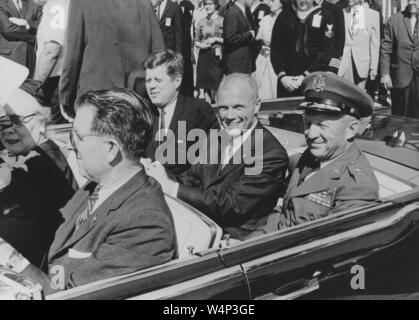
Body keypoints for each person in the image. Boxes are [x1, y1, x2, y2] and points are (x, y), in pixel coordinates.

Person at [0, 88, 177, 293]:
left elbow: (73, 297)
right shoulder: (99, 185)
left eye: (78, 137)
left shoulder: (145, 224)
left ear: (110, 149)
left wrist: (11, 258)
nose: (70, 146)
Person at [144, 74, 289, 240]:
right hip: (200, 226)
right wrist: (155, 172)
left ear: (256, 106)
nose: (229, 116)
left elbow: (232, 204)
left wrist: (170, 187)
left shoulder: (269, 153)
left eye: (238, 107)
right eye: (223, 108)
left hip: (239, 242)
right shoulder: (216, 138)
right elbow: (190, 180)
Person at [257, 72, 379, 233]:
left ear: (351, 129)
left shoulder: (358, 189)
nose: (310, 134)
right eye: (307, 123)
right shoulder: (313, 155)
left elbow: (326, 249)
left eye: (322, 125)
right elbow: (283, 215)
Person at [0, 78, 76, 269]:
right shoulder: (26, 155)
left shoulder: (47, 162)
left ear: (41, 121)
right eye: (2, 123)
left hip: (38, 262)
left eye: (18, 120)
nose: (8, 130)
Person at [59, 0, 165, 118]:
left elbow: (72, 55)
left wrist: (65, 98)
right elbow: (159, 53)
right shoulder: (144, 3)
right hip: (135, 99)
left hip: (96, 100)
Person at [144, 50, 217, 175]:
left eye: (157, 80)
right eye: (148, 80)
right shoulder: (143, 114)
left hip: (183, 189)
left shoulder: (198, 110)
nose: (151, 86)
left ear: (177, 81)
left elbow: (213, 158)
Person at [270, 0, 336, 97]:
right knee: (287, 110)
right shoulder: (285, 15)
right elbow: (275, 48)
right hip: (288, 81)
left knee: (311, 110)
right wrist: (282, 76)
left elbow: (326, 51)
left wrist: (306, 76)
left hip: (314, 78)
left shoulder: (325, 16)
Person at [32, 0, 70, 124]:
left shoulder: (56, 5)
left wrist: (34, 85)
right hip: (61, 77)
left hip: (55, 80)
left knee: (51, 128)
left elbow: (52, 50)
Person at [380, 0, 419, 118]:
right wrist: (385, 74)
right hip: (401, 76)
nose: (412, 2)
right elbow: (386, 48)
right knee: (400, 119)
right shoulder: (395, 20)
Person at [338, 0, 380, 89]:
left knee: (358, 98)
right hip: (343, 64)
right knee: (342, 96)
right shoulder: (341, 13)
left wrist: (373, 67)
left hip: (362, 65)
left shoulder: (373, 15)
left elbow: (374, 44)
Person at [0, 0, 42, 78]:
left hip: (29, 60)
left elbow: (41, 27)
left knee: (26, 89)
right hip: (8, 59)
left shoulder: (33, 5)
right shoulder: (1, 3)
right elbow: (8, 30)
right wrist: (31, 30)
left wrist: (26, 23)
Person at [195, 0, 224, 103]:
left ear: (216, 5)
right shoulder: (201, 22)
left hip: (216, 56)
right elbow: (196, 41)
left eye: (210, 4)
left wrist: (215, 39)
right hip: (204, 56)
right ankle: (208, 113)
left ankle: (218, 111)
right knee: (205, 87)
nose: (207, 6)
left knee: (216, 86)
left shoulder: (222, 21)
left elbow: (228, 40)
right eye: (206, 4)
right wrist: (201, 45)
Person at [253, 0, 282, 99]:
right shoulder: (266, 18)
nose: (269, 3)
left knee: (275, 87)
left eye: (273, 1)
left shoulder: (286, 18)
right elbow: (258, 37)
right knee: (262, 87)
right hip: (264, 56)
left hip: (278, 59)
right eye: (269, 1)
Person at [223, 0, 257, 74]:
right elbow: (231, 38)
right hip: (236, 64)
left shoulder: (246, 12)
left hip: (245, 62)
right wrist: (249, 35)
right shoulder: (233, 12)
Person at [316, 0, 346, 74]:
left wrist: (333, 68)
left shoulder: (335, 10)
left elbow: (340, 42)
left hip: (325, 65)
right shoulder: (302, 9)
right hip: (303, 66)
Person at [179, 0, 195, 97]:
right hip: (184, 45)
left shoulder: (186, 5)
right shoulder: (184, 6)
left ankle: (187, 93)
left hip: (186, 45)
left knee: (186, 69)